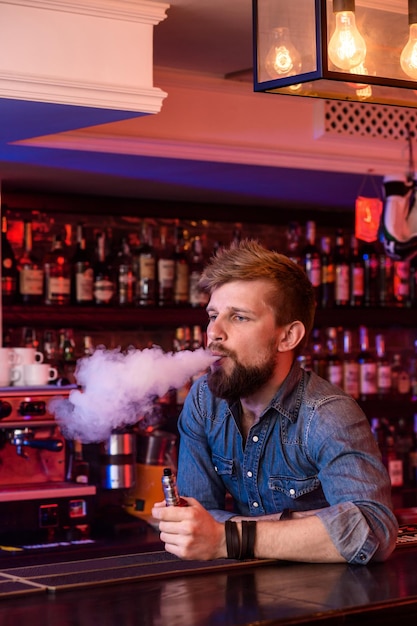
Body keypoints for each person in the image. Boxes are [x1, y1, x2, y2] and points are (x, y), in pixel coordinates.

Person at [152, 239, 398, 564]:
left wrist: (229, 537)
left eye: (239, 317)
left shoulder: (326, 413)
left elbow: (374, 530)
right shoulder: (204, 400)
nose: (214, 333)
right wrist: (288, 528)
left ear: (288, 337)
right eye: (213, 315)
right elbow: (196, 521)